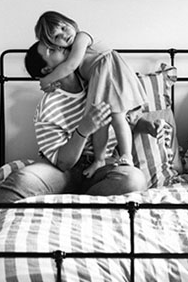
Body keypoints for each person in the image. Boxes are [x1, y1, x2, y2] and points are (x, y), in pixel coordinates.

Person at [0, 46, 148, 282]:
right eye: (53, 49)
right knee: (21, 180)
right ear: (48, 70)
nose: (65, 48)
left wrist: (146, 126)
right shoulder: (49, 105)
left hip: (99, 173)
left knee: (134, 180)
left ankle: (67, 209)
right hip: (62, 170)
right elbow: (63, 161)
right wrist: (85, 128)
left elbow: (122, 116)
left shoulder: (95, 81)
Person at [33, 10, 146, 177]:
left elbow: (70, 66)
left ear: (71, 22)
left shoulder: (82, 37)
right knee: (99, 122)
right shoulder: (70, 58)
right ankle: (99, 160)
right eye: (56, 38)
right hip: (100, 80)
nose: (64, 36)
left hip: (110, 73)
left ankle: (126, 155)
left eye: (64, 28)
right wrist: (52, 84)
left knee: (117, 117)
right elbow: (69, 76)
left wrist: (46, 80)